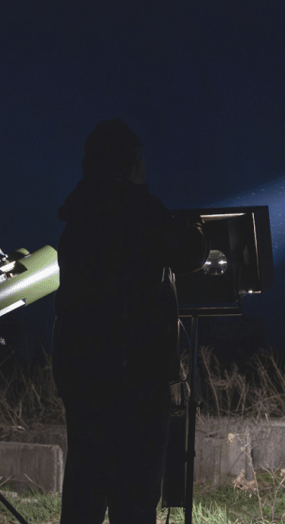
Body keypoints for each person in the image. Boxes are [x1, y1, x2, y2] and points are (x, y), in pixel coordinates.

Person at [52, 119, 206, 524]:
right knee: (134, 497)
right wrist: (197, 230)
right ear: (132, 163)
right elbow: (188, 254)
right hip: (135, 376)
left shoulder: (79, 214)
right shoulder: (140, 210)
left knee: (84, 489)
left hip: (83, 376)